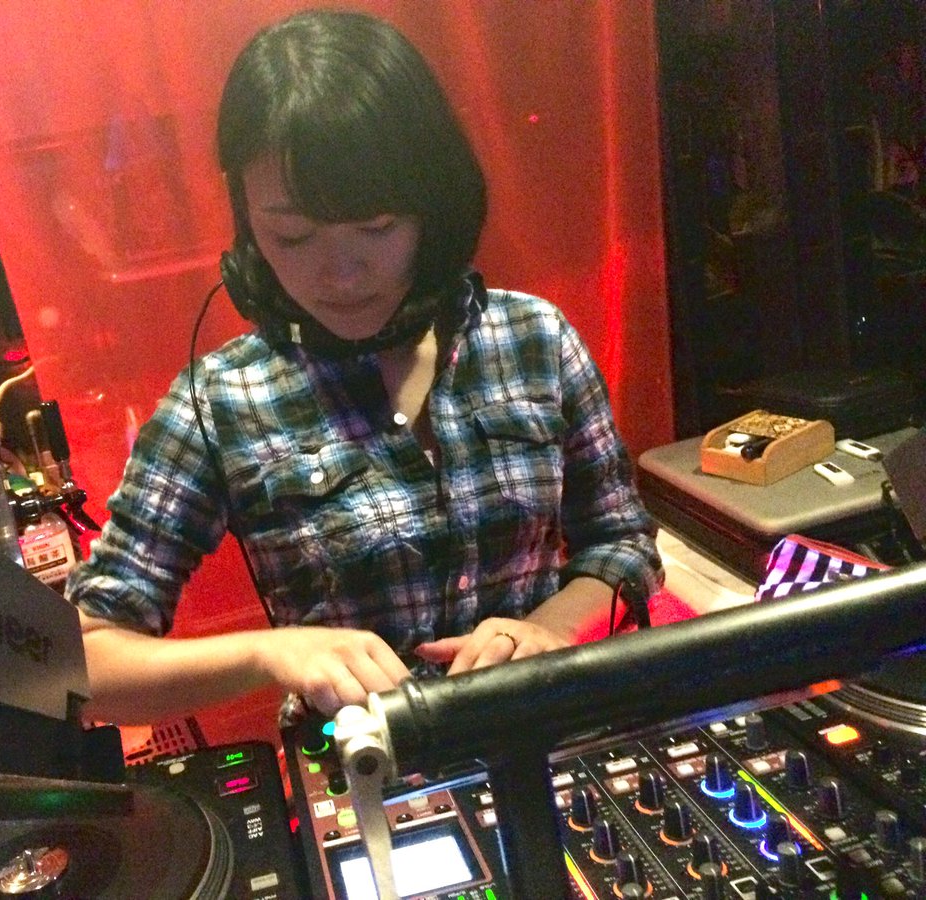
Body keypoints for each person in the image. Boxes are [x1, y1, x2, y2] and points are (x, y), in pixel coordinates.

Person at [67, 8, 663, 726]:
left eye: (376, 227)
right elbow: (84, 664)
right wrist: (271, 653)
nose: (340, 273)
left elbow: (621, 542)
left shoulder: (535, 338)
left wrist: (546, 630)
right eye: (292, 236)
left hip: (546, 740)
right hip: (366, 767)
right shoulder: (220, 401)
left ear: (432, 207)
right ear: (247, 226)